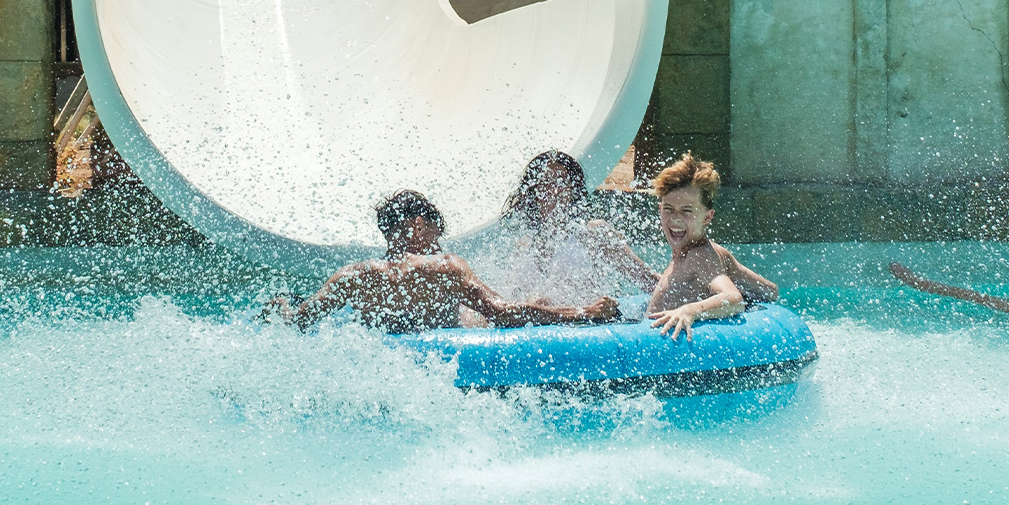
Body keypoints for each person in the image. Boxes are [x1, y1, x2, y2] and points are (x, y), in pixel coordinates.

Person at [272, 189, 620, 334]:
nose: (438, 243)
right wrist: (583, 313)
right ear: (419, 225)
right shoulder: (444, 267)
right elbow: (502, 313)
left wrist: (281, 310)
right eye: (436, 234)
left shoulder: (352, 276)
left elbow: (301, 321)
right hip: (455, 356)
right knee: (540, 303)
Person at [498, 150, 659, 305]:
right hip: (542, 327)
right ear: (534, 193)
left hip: (587, 326)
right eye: (545, 183)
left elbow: (647, 280)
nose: (553, 190)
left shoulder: (593, 233)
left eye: (561, 182)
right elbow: (514, 301)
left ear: (572, 190)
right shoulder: (525, 245)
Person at [646, 153, 779, 340]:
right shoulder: (703, 252)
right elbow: (770, 291)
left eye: (686, 211)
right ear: (660, 209)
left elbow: (733, 298)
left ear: (707, 217)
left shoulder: (699, 255)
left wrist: (689, 310)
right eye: (668, 209)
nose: (675, 218)